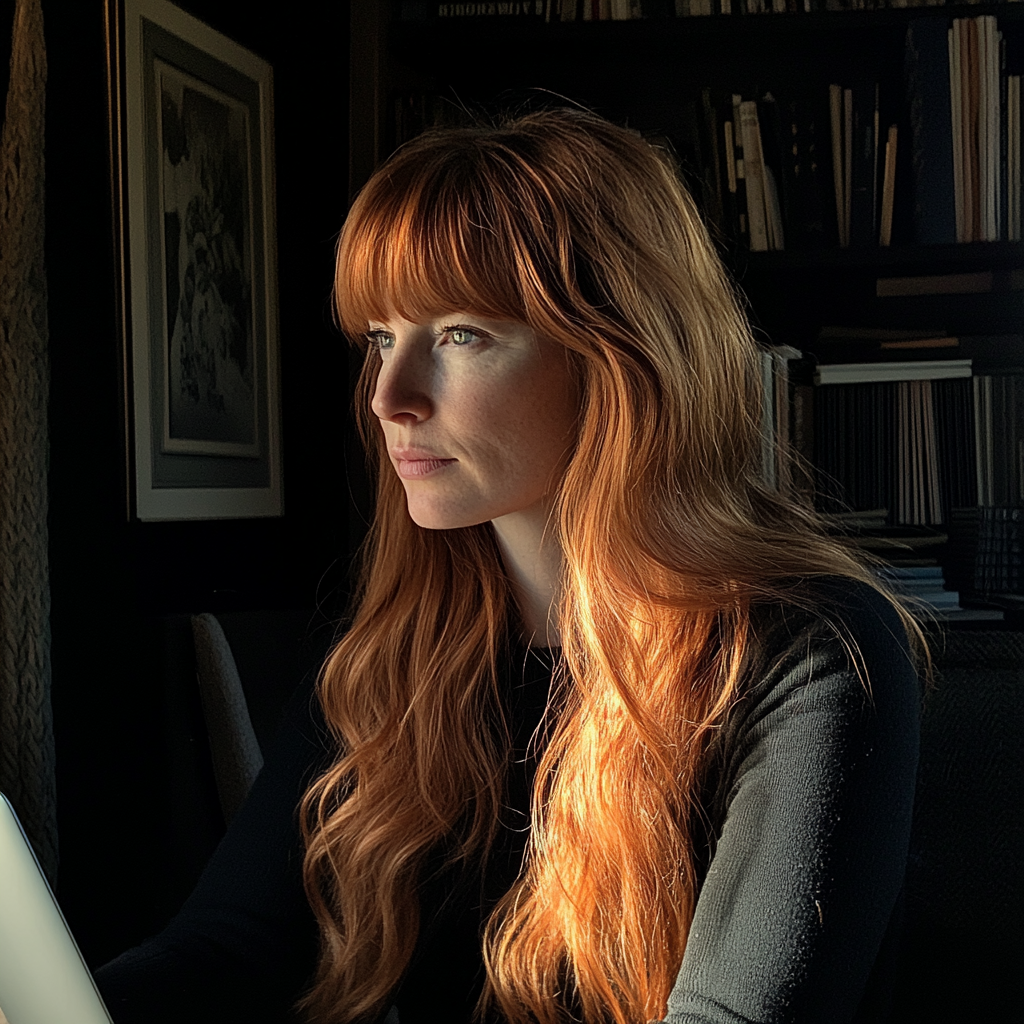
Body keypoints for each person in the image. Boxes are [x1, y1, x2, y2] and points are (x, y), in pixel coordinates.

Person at [95, 106, 926, 1024]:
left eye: (460, 334)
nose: (388, 396)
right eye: (381, 336)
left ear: (619, 359)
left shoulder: (808, 655)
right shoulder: (393, 655)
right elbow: (227, 951)